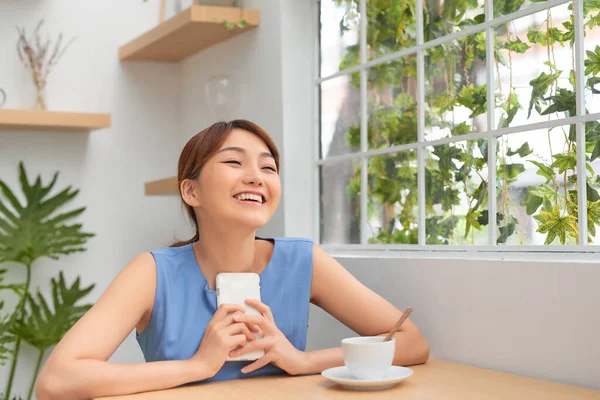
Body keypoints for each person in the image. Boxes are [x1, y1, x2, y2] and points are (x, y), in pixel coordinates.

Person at [36, 120, 429, 399]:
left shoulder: (302, 261)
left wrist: (302, 360)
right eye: (234, 162)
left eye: (268, 167)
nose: (256, 176)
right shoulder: (153, 273)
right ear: (191, 191)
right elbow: (57, 380)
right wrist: (198, 366)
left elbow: (410, 342)